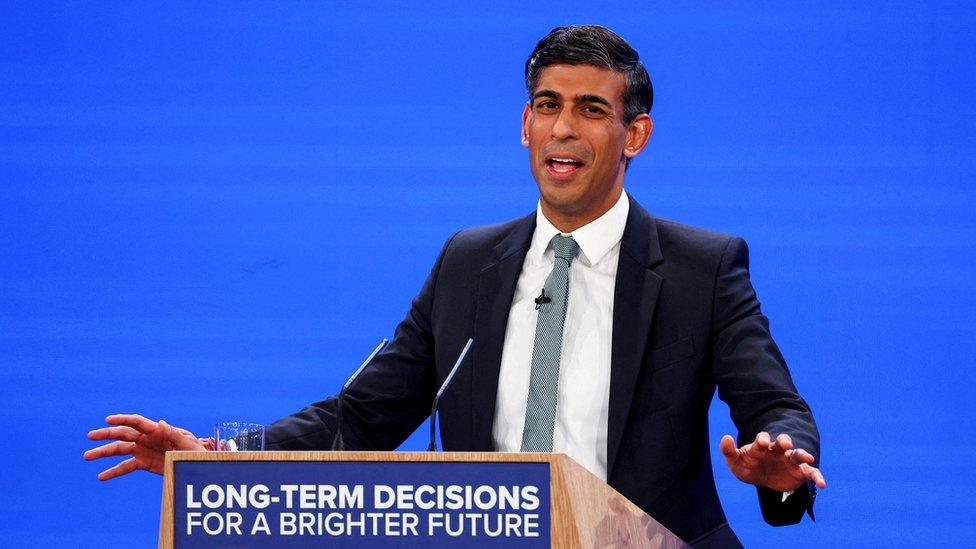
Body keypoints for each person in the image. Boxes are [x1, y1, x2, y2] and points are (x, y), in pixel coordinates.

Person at [86, 25, 825, 546]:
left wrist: (779, 465)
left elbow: (775, 406)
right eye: (548, 105)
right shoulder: (468, 263)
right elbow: (362, 416)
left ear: (635, 135)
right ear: (526, 126)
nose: (564, 127)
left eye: (592, 109)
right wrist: (218, 459)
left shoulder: (701, 265)